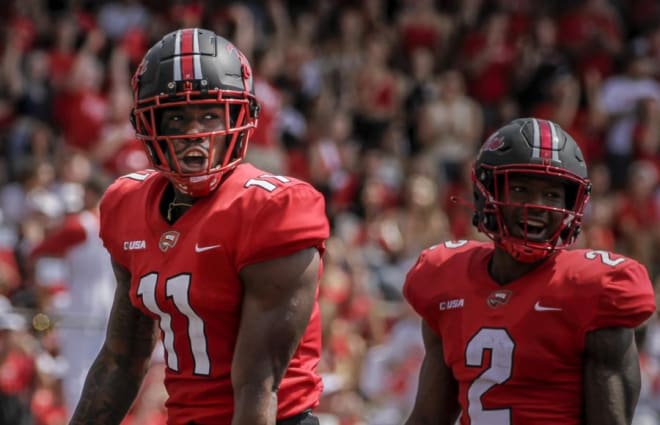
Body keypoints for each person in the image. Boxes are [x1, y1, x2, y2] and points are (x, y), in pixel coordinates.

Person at [69, 28, 329, 425]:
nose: (195, 134)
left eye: (209, 114)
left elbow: (257, 385)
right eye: (176, 116)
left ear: (242, 117)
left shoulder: (274, 209)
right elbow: (121, 359)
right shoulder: (127, 204)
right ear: (147, 124)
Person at [403, 117, 656, 425]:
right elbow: (428, 418)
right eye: (521, 189)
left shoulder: (593, 290)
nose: (537, 206)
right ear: (488, 194)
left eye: (551, 195)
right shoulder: (447, 279)